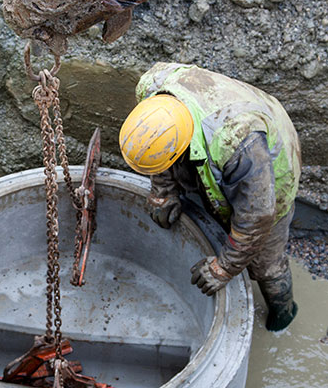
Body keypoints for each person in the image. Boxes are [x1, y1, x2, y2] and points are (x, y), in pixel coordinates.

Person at [119, 62, 301, 332]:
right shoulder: (152, 88)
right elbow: (156, 144)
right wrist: (163, 189)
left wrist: (224, 267)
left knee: (266, 266)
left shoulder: (237, 143)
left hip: (271, 173)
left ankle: (283, 316)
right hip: (217, 139)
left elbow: (258, 215)